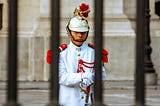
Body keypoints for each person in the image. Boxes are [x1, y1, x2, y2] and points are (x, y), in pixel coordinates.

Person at [46, 3, 108, 106]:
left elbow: (102, 75)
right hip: (68, 102)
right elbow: (61, 77)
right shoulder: (61, 53)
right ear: (69, 32)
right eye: (76, 32)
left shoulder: (93, 52)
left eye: (83, 32)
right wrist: (84, 76)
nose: (80, 35)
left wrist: (93, 78)